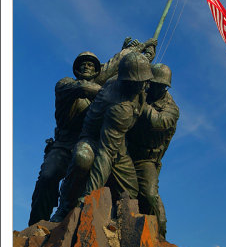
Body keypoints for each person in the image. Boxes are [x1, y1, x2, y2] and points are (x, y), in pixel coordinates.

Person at [28, 38, 157, 226]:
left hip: (96, 142)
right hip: (65, 144)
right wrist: (114, 92)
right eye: (83, 64)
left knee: (102, 169)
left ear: (97, 70)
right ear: (76, 69)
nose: (87, 66)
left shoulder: (107, 84)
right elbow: (85, 87)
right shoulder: (65, 84)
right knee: (48, 176)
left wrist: (136, 53)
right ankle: (38, 224)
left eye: (91, 64)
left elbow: (118, 67)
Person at [126, 63, 179, 239]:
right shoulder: (143, 91)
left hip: (146, 159)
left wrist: (140, 99)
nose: (155, 88)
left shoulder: (171, 108)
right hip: (126, 150)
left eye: (160, 85)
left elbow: (159, 122)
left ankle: (159, 236)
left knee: (149, 195)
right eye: (152, 83)